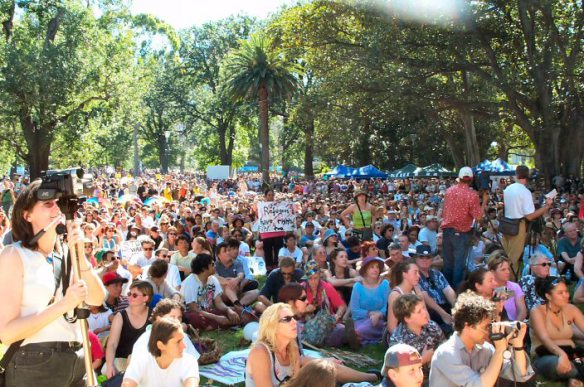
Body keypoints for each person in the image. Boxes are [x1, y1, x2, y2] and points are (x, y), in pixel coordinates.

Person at [0, 180, 106, 387]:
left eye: (60, 203)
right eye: (48, 204)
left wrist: (79, 255)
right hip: (35, 363)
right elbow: (7, 332)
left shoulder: (66, 254)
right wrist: (65, 304)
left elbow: (97, 298)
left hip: (76, 358)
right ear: (27, 214)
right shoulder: (13, 255)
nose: (57, 209)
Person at [430, 291, 535, 386]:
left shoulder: (486, 349)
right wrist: (499, 350)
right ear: (468, 326)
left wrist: (517, 344)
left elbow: (520, 375)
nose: (488, 331)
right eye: (485, 327)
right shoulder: (446, 353)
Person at [530, 276, 584, 385]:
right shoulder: (537, 311)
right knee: (563, 366)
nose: (566, 295)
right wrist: (561, 355)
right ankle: (576, 377)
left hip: (572, 353)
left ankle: (575, 379)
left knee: (570, 366)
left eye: (566, 292)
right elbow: (545, 338)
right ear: (548, 296)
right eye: (560, 293)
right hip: (546, 354)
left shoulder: (571, 309)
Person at [502, 165, 552, 280]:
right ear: (527, 176)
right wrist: (546, 207)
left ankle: (509, 287)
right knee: (513, 260)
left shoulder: (508, 189)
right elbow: (529, 216)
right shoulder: (525, 192)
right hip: (518, 226)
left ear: (516, 174)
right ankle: (511, 289)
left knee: (506, 257)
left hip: (506, 225)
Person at [440, 166, 487, 288]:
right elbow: (479, 217)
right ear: (471, 179)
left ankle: (445, 291)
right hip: (461, 232)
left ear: (459, 178)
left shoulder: (449, 191)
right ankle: (456, 293)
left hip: (447, 230)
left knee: (448, 264)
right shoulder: (472, 195)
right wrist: (485, 201)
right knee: (459, 265)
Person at [122, 317, 199, 387]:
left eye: (182, 340)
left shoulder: (189, 361)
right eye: (178, 342)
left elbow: (191, 383)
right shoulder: (141, 361)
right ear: (161, 345)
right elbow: (127, 384)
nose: (184, 346)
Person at [388, 294, 444, 379]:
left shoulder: (432, 326)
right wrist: (422, 360)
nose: (424, 313)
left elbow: (446, 349)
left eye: (423, 308)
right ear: (407, 318)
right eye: (419, 311)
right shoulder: (398, 341)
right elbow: (400, 373)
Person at [105, 280, 153, 378]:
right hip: (122, 362)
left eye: (134, 295)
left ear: (146, 298)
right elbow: (112, 344)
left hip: (145, 363)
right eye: (129, 294)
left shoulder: (153, 315)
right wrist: (110, 366)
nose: (130, 297)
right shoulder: (120, 316)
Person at [181, 253, 241, 329]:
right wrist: (216, 317)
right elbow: (194, 308)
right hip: (194, 313)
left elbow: (219, 303)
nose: (215, 265)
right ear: (203, 268)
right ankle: (226, 323)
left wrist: (228, 310)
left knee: (234, 311)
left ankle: (216, 325)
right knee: (195, 317)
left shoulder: (213, 279)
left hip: (209, 312)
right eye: (212, 264)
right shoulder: (190, 282)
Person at [245, 303, 300, 386]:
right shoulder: (260, 353)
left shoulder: (293, 348)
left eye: (294, 317)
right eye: (287, 319)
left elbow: (297, 384)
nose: (295, 322)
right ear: (272, 325)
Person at [131, 299, 200, 361]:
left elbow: (193, 360)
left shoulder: (183, 336)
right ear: (159, 319)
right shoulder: (146, 339)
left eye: (179, 317)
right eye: (172, 317)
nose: (177, 321)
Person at [350, 256, 390, 344]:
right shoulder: (357, 286)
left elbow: (387, 307)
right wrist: (370, 313)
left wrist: (379, 314)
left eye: (377, 267)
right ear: (365, 270)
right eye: (372, 267)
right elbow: (354, 310)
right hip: (361, 319)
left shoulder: (385, 284)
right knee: (361, 327)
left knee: (363, 328)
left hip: (380, 320)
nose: (375, 269)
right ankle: (356, 336)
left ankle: (356, 337)